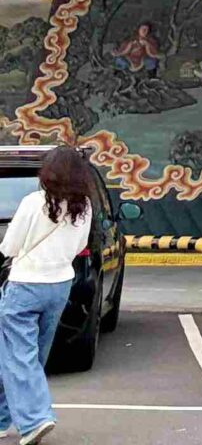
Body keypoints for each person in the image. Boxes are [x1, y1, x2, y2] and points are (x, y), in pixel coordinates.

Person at [0, 145, 92, 445]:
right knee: (28, 356)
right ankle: (3, 418)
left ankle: (35, 419)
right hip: (60, 284)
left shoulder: (32, 202)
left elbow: (8, 247)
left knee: (17, 355)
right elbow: (79, 247)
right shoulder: (85, 206)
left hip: (26, 284)